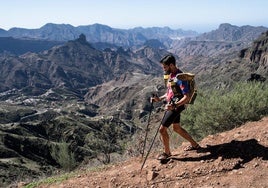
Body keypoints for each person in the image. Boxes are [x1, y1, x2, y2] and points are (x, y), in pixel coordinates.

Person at [151, 54, 200, 160]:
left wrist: (174, 105)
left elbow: (186, 97)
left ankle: (167, 153)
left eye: (165, 67)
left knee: (162, 129)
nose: (163, 69)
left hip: (176, 106)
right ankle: (195, 145)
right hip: (173, 105)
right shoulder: (171, 76)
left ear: (171, 65)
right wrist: (159, 99)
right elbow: (169, 93)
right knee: (176, 128)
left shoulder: (180, 78)